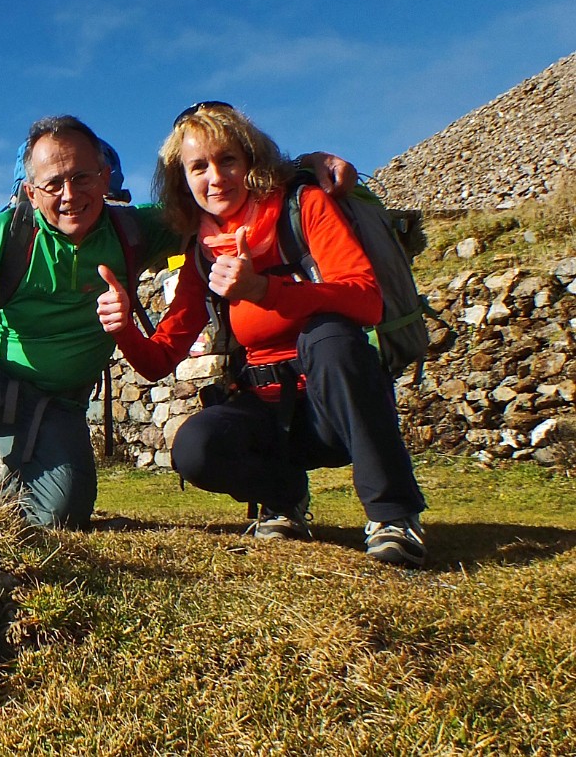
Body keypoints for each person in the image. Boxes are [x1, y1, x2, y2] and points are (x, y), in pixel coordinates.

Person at [0, 114, 355, 529]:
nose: (69, 194)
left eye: (81, 177)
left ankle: (22, 477)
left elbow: (213, 195)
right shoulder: (5, 233)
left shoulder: (134, 228)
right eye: (52, 184)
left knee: (60, 520)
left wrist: (299, 168)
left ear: (104, 177)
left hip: (57, 408)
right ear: (32, 194)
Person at [95, 102, 427, 565]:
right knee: (196, 448)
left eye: (227, 159)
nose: (215, 177)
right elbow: (158, 360)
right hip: (270, 413)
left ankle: (393, 515)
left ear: (250, 161)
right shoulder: (200, 252)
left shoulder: (304, 206)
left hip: (339, 407)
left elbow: (365, 299)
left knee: (329, 336)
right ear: (182, 181)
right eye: (198, 167)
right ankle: (285, 500)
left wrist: (263, 289)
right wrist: (124, 327)